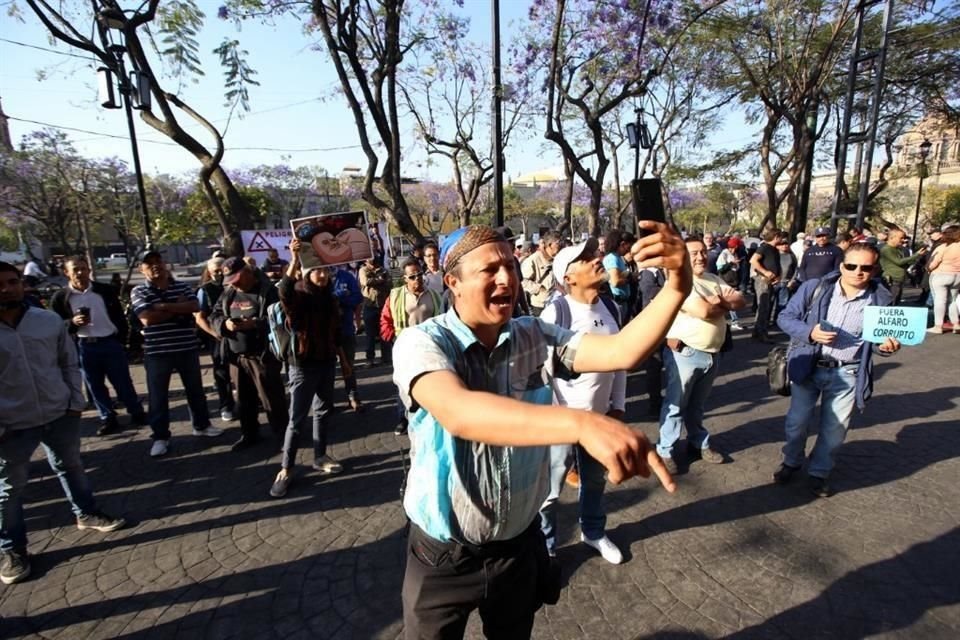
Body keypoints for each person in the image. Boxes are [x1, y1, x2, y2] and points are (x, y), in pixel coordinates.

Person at [392, 223, 684, 638]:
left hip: (517, 547)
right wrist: (581, 423)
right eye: (490, 269)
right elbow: (460, 412)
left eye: (510, 264)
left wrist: (679, 284)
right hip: (443, 556)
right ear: (452, 282)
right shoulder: (421, 342)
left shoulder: (534, 334)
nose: (507, 278)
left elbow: (623, 351)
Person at [0, 261, 126, 585]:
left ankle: (86, 513)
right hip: (11, 423)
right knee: (8, 489)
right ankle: (11, 549)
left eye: (12, 282)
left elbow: (68, 361)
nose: (7, 288)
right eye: (0, 284)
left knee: (70, 466)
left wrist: (74, 400)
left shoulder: (46, 321)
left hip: (59, 414)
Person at [775, 242, 900, 497]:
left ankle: (819, 473)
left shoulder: (881, 299)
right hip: (809, 365)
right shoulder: (816, 288)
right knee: (797, 422)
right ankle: (791, 461)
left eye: (866, 267)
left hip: (848, 371)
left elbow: (876, 341)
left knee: (834, 429)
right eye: (852, 266)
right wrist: (810, 332)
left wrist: (885, 347)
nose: (858, 272)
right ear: (842, 265)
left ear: (875, 269)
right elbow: (785, 318)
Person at [538, 238, 627, 564]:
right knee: (550, 489)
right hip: (561, 422)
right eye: (586, 258)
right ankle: (546, 547)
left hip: (600, 417)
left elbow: (619, 359)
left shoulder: (611, 307)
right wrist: (556, 418)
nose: (596, 259)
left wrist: (618, 404)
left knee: (594, 480)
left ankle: (593, 532)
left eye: (594, 253)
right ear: (568, 277)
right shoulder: (557, 311)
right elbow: (543, 372)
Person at [657, 236, 746, 475]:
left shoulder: (712, 278)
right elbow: (703, 310)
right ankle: (665, 450)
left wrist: (719, 300)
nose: (700, 257)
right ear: (683, 256)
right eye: (694, 253)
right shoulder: (679, 282)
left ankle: (698, 443)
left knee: (697, 405)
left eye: (703, 252)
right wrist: (721, 302)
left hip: (712, 354)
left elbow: (740, 300)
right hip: (685, 353)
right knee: (676, 404)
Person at [269, 240, 351, 498]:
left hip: (326, 362)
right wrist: (294, 259)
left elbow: (336, 333)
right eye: (318, 270)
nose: (324, 275)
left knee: (323, 412)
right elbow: (283, 291)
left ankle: (320, 456)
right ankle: (286, 468)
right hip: (302, 366)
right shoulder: (299, 296)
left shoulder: (330, 299)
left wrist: (345, 361)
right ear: (308, 273)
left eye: (326, 270)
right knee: (296, 419)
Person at [131, 251, 222, 458]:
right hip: (158, 352)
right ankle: (160, 437)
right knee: (158, 396)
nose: (156, 266)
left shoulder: (181, 286)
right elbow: (147, 318)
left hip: (186, 347)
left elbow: (194, 306)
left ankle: (201, 425)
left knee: (195, 390)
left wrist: (162, 306)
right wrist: (177, 308)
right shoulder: (139, 291)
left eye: (158, 262)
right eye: (149, 264)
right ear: (141, 269)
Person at [49, 256, 146, 436]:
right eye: (76, 269)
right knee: (94, 384)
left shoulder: (104, 291)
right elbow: (55, 323)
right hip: (84, 344)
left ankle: (136, 411)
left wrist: (122, 339)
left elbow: (119, 316)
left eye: (83, 268)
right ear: (66, 273)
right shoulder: (61, 297)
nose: (80, 273)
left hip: (110, 342)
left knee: (122, 380)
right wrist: (72, 322)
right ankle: (107, 417)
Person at [210, 258, 289, 451]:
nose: (234, 283)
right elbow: (214, 315)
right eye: (230, 280)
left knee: (271, 397)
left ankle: (283, 435)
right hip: (237, 356)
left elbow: (282, 317)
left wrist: (254, 323)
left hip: (261, 355)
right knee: (244, 400)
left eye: (236, 278)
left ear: (247, 272)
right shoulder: (229, 293)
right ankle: (249, 433)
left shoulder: (267, 291)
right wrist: (224, 324)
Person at [380, 258, 444, 435]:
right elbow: (385, 319)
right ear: (405, 279)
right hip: (404, 347)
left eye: (420, 275)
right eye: (413, 276)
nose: (418, 279)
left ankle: (431, 416)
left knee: (430, 381)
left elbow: (442, 320)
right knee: (404, 384)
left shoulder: (435, 296)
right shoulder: (395, 296)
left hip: (429, 348)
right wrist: (391, 337)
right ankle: (403, 418)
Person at [195, 256, 236, 422]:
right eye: (215, 271)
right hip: (218, 338)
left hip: (237, 336)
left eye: (222, 270)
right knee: (222, 372)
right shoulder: (205, 290)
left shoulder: (234, 285)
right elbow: (200, 317)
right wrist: (215, 334)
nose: (219, 274)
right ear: (209, 272)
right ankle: (226, 405)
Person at [331, 265, 364, 412]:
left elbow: (357, 297)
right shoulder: (314, 276)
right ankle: (327, 401)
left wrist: (340, 299)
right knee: (327, 368)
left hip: (345, 329)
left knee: (348, 365)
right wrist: (341, 294)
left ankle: (353, 397)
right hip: (326, 333)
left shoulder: (346, 276)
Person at [749, 229, 783, 343]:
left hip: (772, 280)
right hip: (763, 280)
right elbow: (753, 260)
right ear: (776, 237)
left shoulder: (774, 249)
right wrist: (765, 272)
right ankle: (761, 333)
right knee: (763, 306)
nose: (782, 239)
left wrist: (777, 276)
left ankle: (757, 331)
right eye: (780, 237)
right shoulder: (764, 247)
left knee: (767, 306)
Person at [925, 224, 960, 333]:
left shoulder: (943, 247)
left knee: (939, 300)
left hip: (941, 275)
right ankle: (956, 324)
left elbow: (932, 264)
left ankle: (938, 326)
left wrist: (927, 268)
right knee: (952, 300)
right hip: (957, 276)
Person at [358, 255, 392, 366]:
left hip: (382, 306)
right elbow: (366, 282)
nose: (372, 260)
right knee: (370, 335)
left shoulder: (383, 270)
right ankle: (369, 359)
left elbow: (389, 283)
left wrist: (379, 280)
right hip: (370, 306)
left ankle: (386, 357)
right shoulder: (363, 270)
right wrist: (379, 280)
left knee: (384, 333)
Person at [878, 228, 926, 305]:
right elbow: (899, 262)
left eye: (904, 238)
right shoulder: (886, 249)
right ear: (891, 238)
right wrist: (916, 255)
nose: (903, 240)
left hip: (900, 279)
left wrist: (917, 257)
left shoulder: (899, 250)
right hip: (892, 280)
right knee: (891, 301)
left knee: (896, 300)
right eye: (901, 238)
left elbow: (905, 264)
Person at [520, 231, 560, 316]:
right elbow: (522, 281)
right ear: (550, 245)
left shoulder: (559, 259)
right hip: (540, 306)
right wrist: (539, 288)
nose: (561, 245)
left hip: (558, 303)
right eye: (558, 243)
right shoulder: (534, 259)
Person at [602, 229, 634, 323]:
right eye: (628, 247)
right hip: (618, 302)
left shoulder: (618, 258)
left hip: (624, 301)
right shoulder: (612, 258)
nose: (629, 250)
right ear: (623, 244)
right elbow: (615, 281)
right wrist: (630, 278)